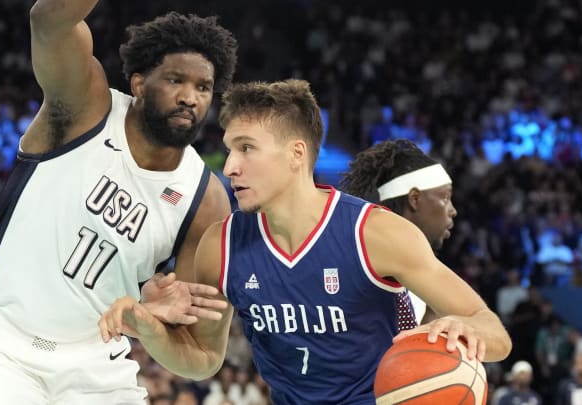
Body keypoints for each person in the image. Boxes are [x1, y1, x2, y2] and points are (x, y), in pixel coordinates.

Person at [100, 79, 512, 404]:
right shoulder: (220, 245)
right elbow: (203, 360)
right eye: (229, 150)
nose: (231, 167)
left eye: (247, 149)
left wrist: (466, 328)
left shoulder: (376, 233)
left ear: (297, 154)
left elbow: (494, 333)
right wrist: (149, 329)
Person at [0, 3, 238, 404]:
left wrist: (148, 326)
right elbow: (47, 21)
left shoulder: (206, 200)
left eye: (203, 87)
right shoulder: (87, 106)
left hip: (96, 366)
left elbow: (203, 357)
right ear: (139, 84)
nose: (190, 97)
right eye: (175, 80)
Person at [340, 139, 457, 328]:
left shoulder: (424, 279)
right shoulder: (362, 259)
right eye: (445, 198)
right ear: (415, 199)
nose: (453, 210)